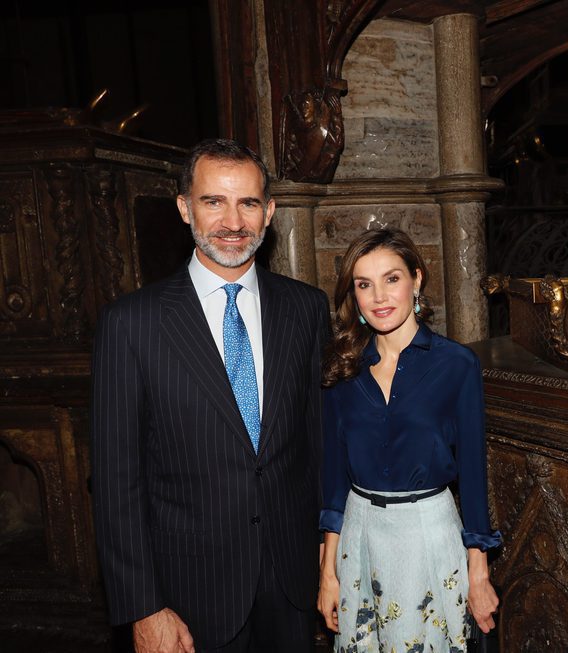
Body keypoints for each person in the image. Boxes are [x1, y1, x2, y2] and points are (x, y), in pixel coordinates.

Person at [91, 138, 330, 652]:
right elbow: (116, 482)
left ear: (269, 212)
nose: (232, 221)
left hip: (292, 584)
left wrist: (328, 554)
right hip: (188, 594)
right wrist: (142, 606)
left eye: (247, 203)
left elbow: (316, 446)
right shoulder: (131, 323)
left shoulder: (305, 310)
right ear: (184, 208)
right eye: (213, 201)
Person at [317, 228, 501, 652]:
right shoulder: (342, 368)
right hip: (360, 536)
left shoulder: (457, 364)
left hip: (428, 534)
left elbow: (473, 475)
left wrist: (479, 573)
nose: (379, 296)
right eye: (364, 284)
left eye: (392, 279)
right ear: (354, 295)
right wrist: (328, 572)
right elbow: (333, 483)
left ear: (417, 280)